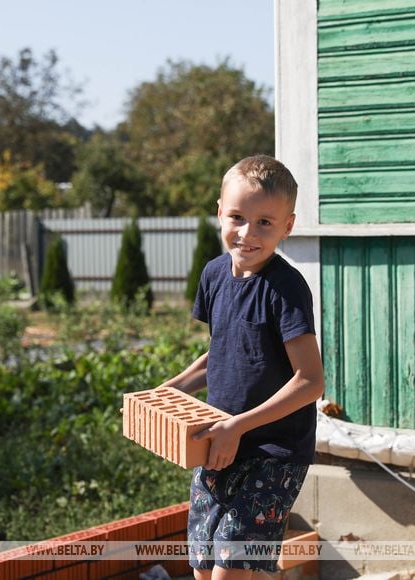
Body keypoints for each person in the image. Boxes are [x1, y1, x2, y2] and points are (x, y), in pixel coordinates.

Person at [157, 154, 324, 579]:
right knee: (202, 563)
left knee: (232, 569)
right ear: (219, 213)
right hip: (218, 445)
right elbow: (223, 352)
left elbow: (310, 382)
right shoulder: (214, 275)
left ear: (287, 226)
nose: (247, 233)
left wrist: (239, 426)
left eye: (265, 223)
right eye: (237, 217)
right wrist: (172, 387)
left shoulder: (285, 288)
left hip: (273, 455)